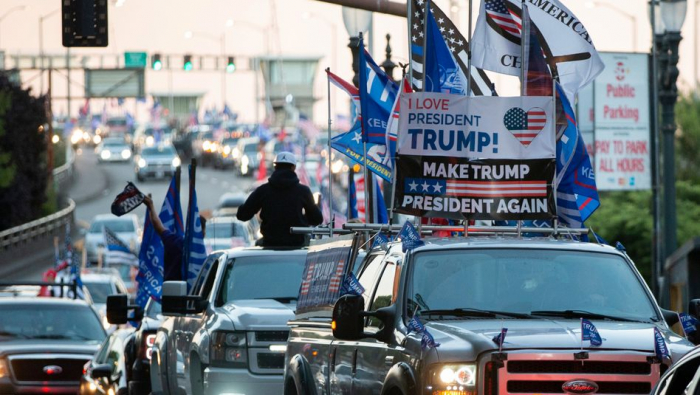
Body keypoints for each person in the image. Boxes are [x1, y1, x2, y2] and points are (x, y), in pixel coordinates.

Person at [237, 151, 323, 247]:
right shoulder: (303, 191)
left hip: (269, 243)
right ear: (293, 168)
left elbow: (242, 215)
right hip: (297, 243)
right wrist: (301, 220)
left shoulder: (263, 190)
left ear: (275, 167)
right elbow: (317, 219)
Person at [143, 195, 206, 281]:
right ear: (202, 232)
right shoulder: (202, 255)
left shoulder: (174, 241)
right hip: (177, 293)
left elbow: (158, 226)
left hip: (170, 291)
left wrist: (151, 206)